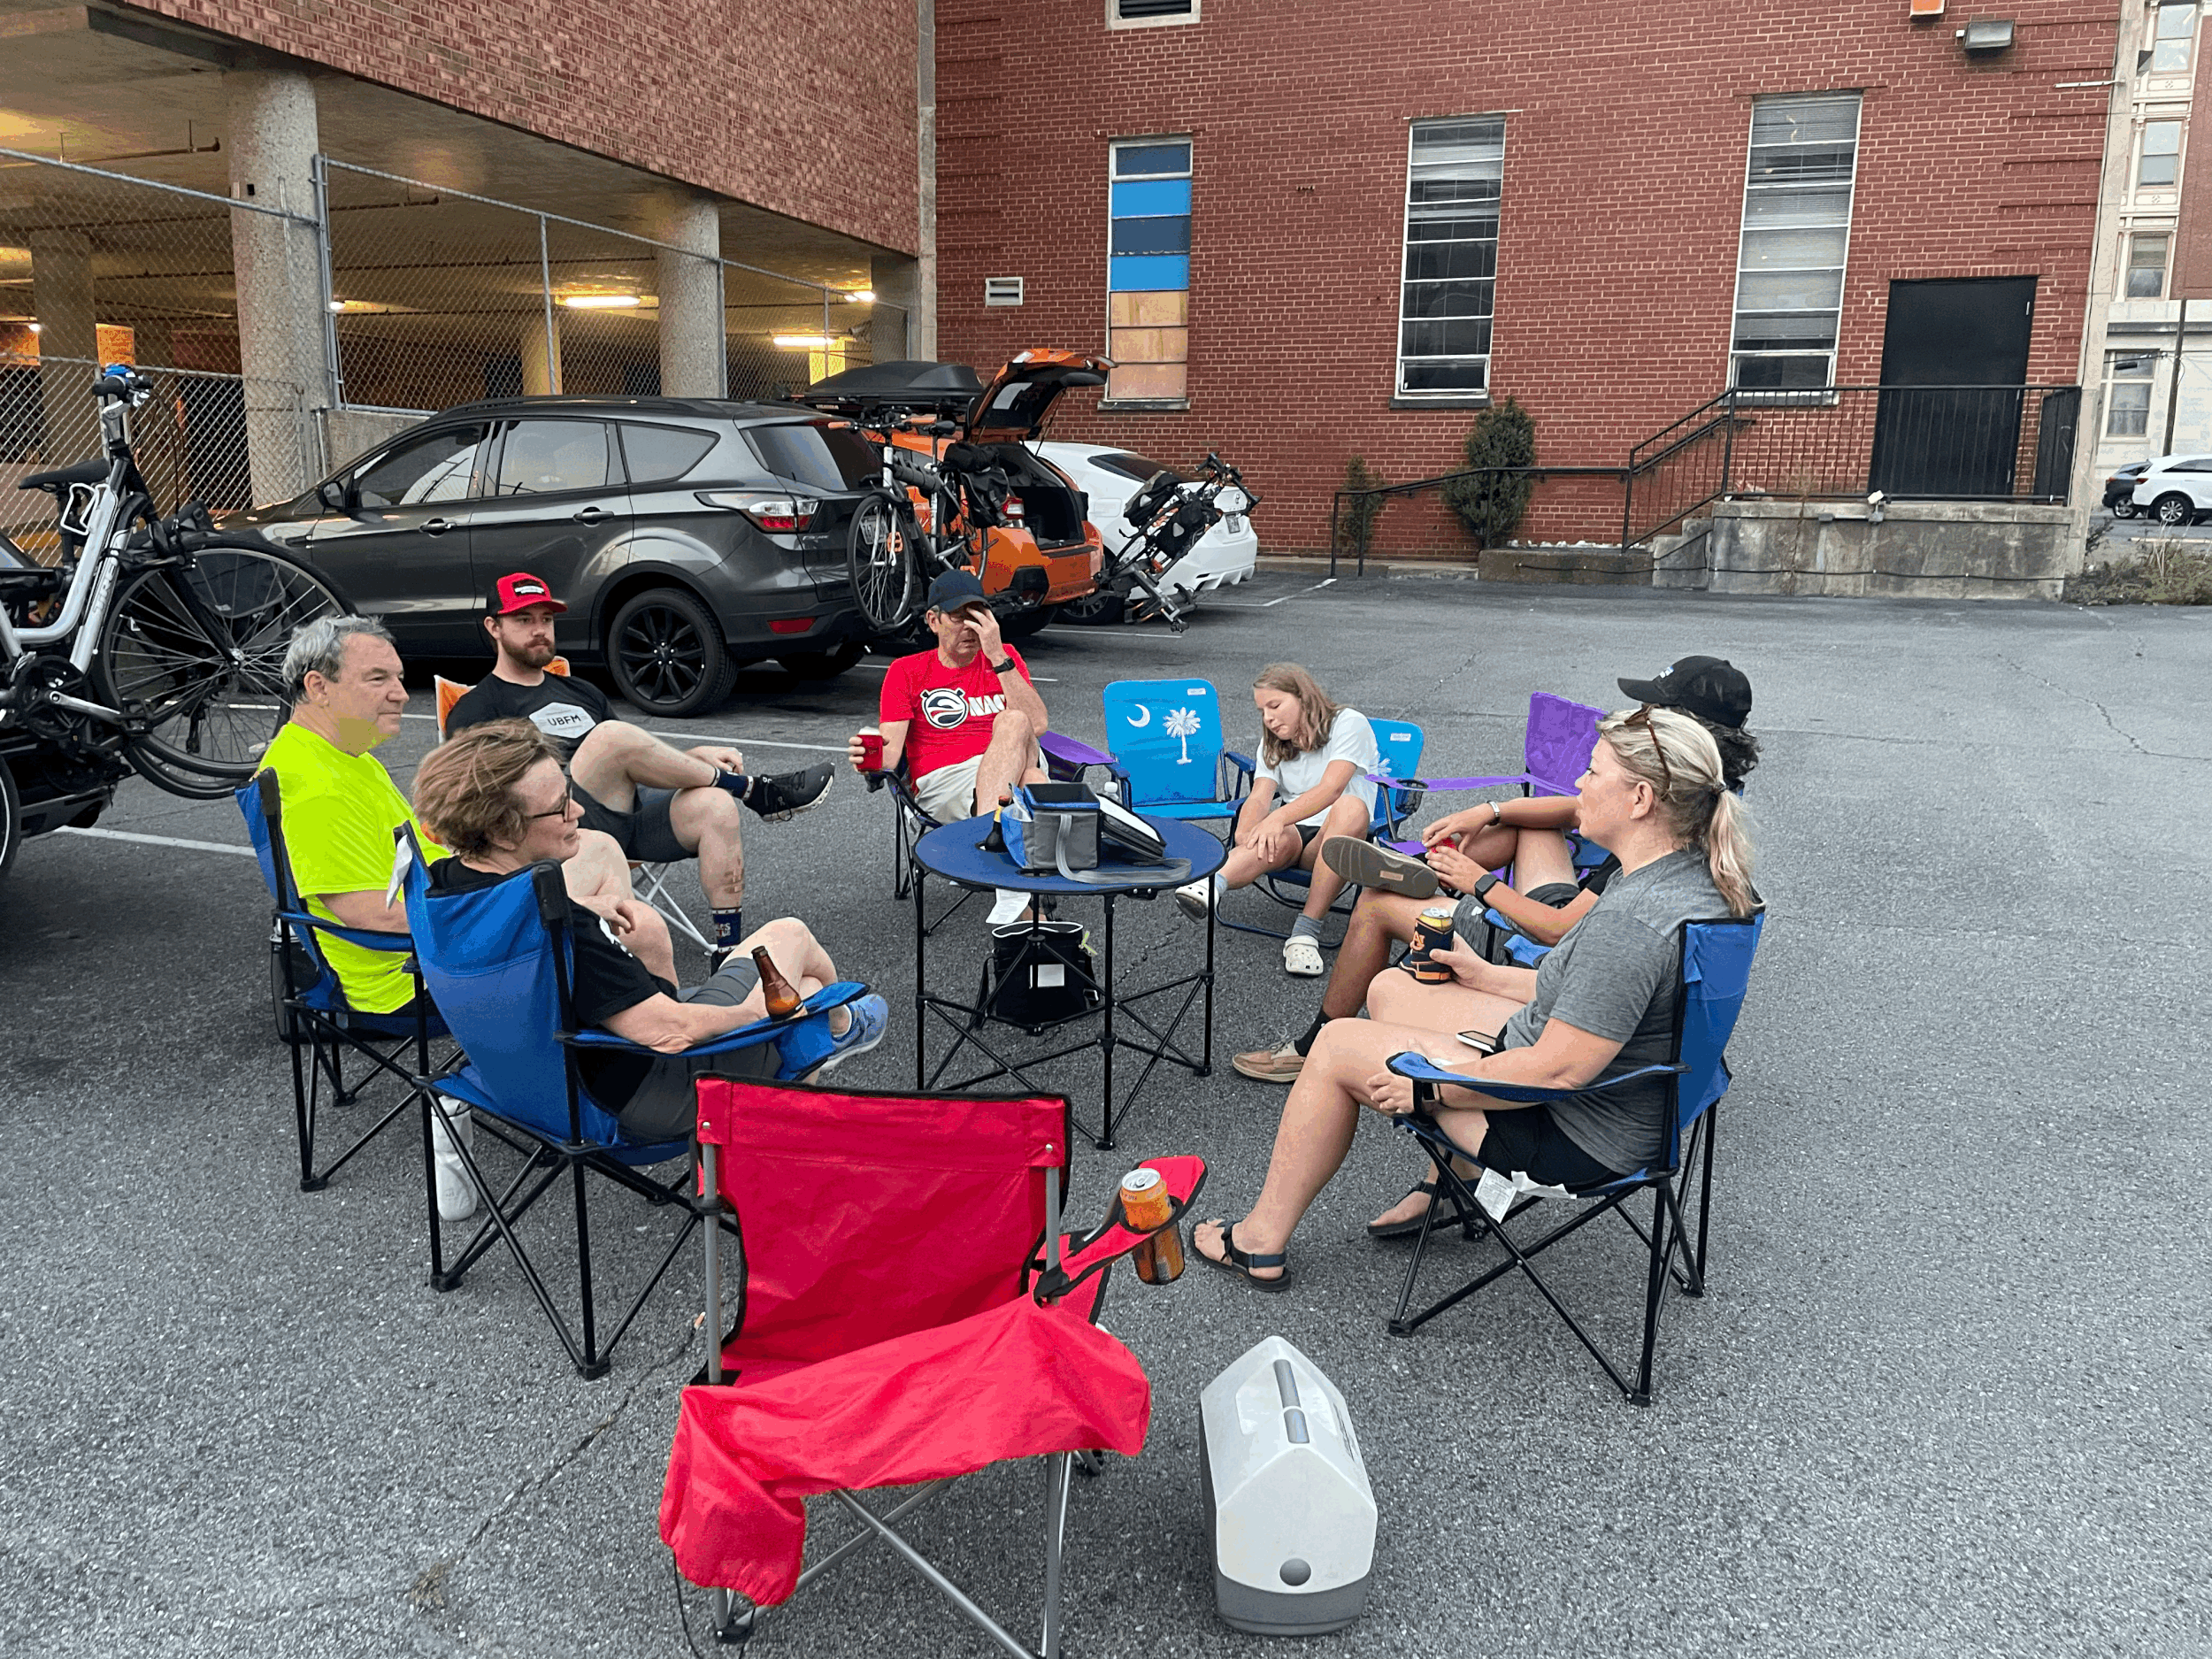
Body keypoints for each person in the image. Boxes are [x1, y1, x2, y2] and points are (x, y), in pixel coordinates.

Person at [1192, 706, 1759, 1290]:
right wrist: (1481, 972)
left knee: (1337, 1046)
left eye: (1592, 772)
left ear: (1641, 799)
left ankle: (1259, 1241)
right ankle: (1455, 1181)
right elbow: (1593, 996)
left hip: (1570, 1129)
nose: (1579, 786)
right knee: (1390, 986)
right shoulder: (1691, 876)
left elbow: (1558, 1070)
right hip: (1629, 1095)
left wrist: (1428, 1088)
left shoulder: (1633, 922)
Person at [261, 616, 671, 1221]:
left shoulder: (344, 756)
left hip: (448, 929)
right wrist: (540, 914)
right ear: (318, 686)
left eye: (399, 677)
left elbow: (417, 864)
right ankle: (617, 1061)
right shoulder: (317, 784)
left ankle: (615, 1022)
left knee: (593, 852)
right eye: (379, 678)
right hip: (417, 972)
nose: (402, 692)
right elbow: (358, 910)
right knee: (617, 894)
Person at [1233, 655, 1758, 1082]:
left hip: (1552, 946)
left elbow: (1560, 932)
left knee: (1374, 906)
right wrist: (1490, 810)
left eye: (1650, 710)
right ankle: (1417, 865)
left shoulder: (1655, 857)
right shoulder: (1701, 805)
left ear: (1677, 734)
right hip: (1574, 921)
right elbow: (1571, 813)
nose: (1637, 715)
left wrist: (1477, 883)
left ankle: (1313, 1042)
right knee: (1529, 826)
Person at [411, 720, 888, 1143]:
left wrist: (582, 902)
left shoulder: (443, 892)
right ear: (501, 831)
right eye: (559, 807)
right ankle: (835, 1031)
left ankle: (818, 1064)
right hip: (637, 1101)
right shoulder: (560, 923)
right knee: (794, 950)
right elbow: (670, 1034)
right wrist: (757, 1011)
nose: (577, 813)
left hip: (529, 1090)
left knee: (653, 930)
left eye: (570, 794)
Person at [444, 571, 834, 968]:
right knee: (610, 737)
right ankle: (756, 790)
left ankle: (725, 954)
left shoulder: (581, 692)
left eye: (546, 619)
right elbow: (479, 801)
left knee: (714, 805)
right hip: (561, 827)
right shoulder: (478, 709)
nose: (539, 630)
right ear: (493, 627)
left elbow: (633, 758)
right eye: (524, 620)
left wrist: (692, 756)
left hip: (623, 817)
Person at [847, 568, 1051, 925]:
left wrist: (997, 656)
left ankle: (993, 848)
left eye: (979, 616)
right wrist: (869, 758)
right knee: (1033, 783)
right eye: (959, 617)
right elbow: (890, 754)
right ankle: (1034, 921)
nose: (970, 627)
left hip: (1010, 761)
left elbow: (1038, 725)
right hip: (947, 780)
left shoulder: (1005, 658)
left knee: (1015, 721)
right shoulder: (907, 671)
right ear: (933, 620)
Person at [1171, 664, 1379, 979]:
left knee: (1350, 806)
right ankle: (1210, 886)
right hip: (1295, 834)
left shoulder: (1348, 723)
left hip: (1340, 835)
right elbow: (1259, 797)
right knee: (1270, 833)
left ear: (1304, 698)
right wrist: (1247, 831)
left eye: (1275, 705)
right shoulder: (1273, 742)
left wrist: (1275, 818)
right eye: (1262, 710)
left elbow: (1331, 788)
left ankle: (1305, 933)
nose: (1267, 717)